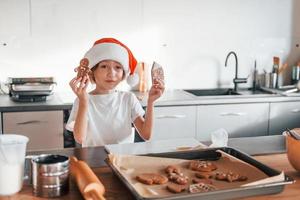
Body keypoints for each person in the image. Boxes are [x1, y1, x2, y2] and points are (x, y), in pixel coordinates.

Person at [66, 38, 165, 147]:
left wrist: (151, 102)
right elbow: (79, 138)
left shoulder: (128, 99)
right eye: (104, 66)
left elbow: (146, 135)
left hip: (123, 159)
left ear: (123, 73)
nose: (111, 73)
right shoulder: (82, 100)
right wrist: (84, 102)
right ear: (92, 72)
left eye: (118, 67)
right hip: (94, 160)